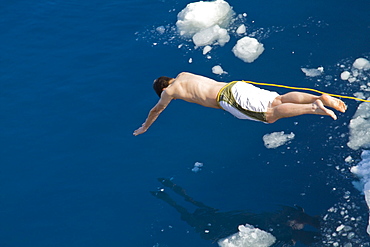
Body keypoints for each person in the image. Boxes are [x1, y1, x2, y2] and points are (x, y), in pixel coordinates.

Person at [133, 72, 347, 136]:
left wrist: (145, 127)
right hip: (235, 86)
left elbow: (156, 109)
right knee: (278, 99)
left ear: (163, 89)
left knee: (270, 115)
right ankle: (317, 97)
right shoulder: (182, 74)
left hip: (228, 98)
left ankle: (313, 108)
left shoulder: (169, 92)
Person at [151, 178, 321, 246]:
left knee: (195, 210)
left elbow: (190, 208)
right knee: (281, 226)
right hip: (241, 223)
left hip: (235, 224)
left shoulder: (209, 231)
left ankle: (308, 226)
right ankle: (308, 226)